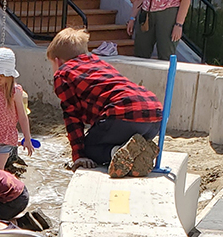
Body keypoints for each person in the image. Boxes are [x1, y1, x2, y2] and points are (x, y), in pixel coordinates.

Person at [47, 28, 163, 178]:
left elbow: (72, 116)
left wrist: (79, 155)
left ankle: (117, 153)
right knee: (111, 133)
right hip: (155, 117)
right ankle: (140, 150)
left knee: (90, 148)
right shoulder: (97, 62)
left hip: (122, 116)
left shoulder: (63, 74)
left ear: (58, 61)